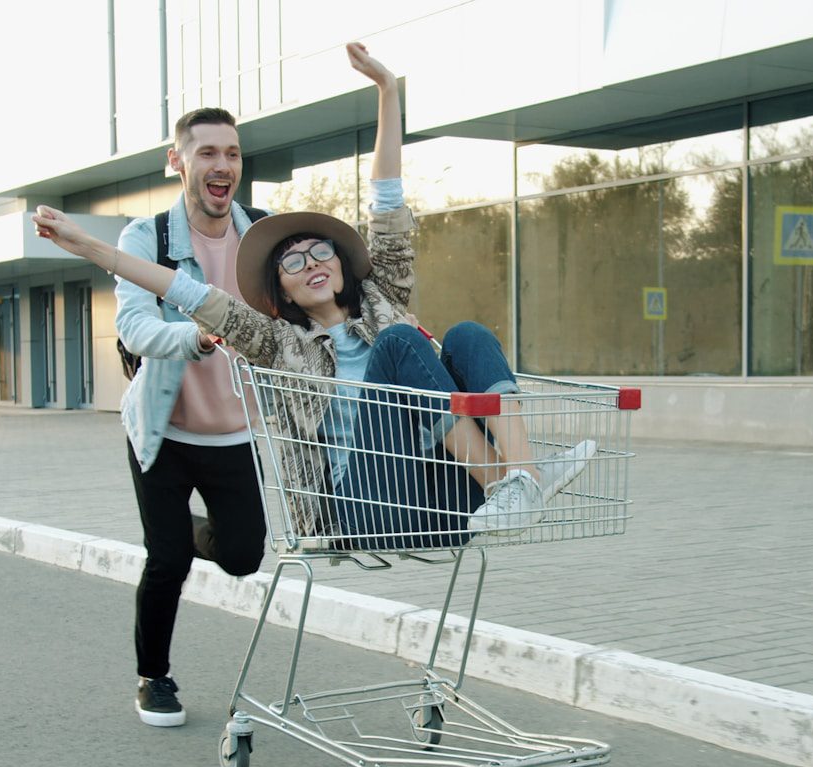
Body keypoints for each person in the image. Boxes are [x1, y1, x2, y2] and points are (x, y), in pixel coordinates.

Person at [36, 43, 592, 553]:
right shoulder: (277, 341)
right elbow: (187, 292)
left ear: (343, 261)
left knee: (468, 334)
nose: (311, 264)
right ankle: (514, 485)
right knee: (400, 344)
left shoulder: (382, 297)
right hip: (365, 506)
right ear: (280, 286)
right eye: (292, 261)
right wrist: (90, 247)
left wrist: (388, 92)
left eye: (320, 250)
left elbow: (387, 200)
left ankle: (522, 476)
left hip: (435, 488)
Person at [113, 104, 268, 726]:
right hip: (164, 432)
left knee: (242, 556)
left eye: (231, 153)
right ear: (177, 161)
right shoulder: (145, 237)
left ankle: (189, 530)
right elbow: (133, 324)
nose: (222, 165)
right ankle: (154, 677)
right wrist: (193, 337)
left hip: (234, 434)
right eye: (207, 153)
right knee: (168, 558)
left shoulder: (262, 231)